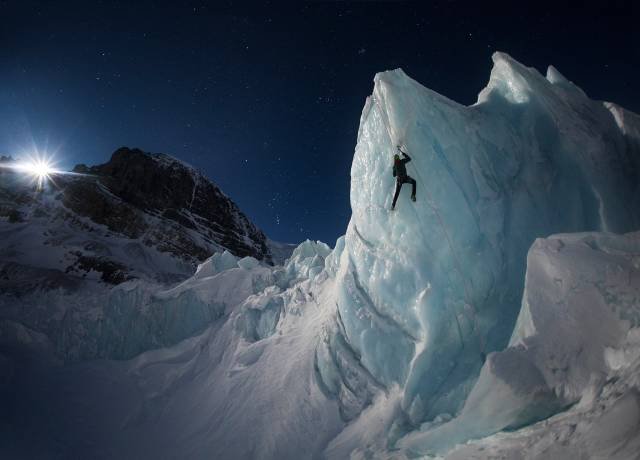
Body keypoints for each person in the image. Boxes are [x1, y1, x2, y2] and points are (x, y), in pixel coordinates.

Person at [391, 146, 416, 210]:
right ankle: (413, 195)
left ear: (394, 160)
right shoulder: (402, 161)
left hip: (399, 181)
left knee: (397, 193)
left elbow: (394, 175)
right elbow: (409, 158)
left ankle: (393, 206)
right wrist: (403, 153)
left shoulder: (395, 166)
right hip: (405, 178)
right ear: (398, 158)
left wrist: (394, 169)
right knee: (414, 182)